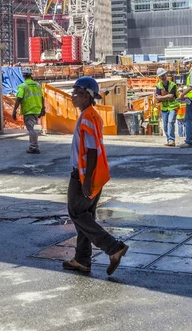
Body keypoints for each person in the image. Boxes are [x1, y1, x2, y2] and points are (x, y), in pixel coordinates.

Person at [62, 76, 128, 276]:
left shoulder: (88, 117)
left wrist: (87, 180)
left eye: (77, 93)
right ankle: (82, 260)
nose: (72, 96)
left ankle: (113, 247)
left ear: (87, 96)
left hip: (84, 176)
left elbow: (91, 150)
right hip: (91, 175)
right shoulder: (90, 115)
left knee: (76, 213)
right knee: (85, 217)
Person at [12, 67, 45, 154]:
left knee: (31, 129)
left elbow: (18, 98)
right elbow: (42, 97)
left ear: (23, 75)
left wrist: (14, 111)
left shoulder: (22, 86)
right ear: (31, 75)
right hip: (37, 110)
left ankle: (34, 147)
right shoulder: (37, 85)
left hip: (29, 110)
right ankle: (33, 145)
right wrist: (43, 109)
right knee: (33, 129)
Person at [154, 67, 179, 147]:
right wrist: (166, 96)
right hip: (164, 108)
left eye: (164, 75)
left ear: (166, 75)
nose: (163, 76)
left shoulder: (173, 85)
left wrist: (162, 97)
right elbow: (157, 97)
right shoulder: (158, 85)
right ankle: (169, 140)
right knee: (165, 125)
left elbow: (171, 96)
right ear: (159, 77)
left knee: (171, 122)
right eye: (161, 75)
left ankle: (172, 140)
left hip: (172, 107)